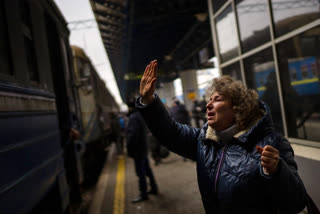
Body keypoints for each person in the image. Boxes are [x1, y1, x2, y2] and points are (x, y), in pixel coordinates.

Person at [135, 60, 309, 213]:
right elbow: (171, 133)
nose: (208, 105)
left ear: (237, 107)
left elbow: (296, 202)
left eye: (217, 99)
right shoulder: (205, 141)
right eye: (208, 100)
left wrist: (276, 171)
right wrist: (149, 102)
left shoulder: (272, 142)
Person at [126, 99, 159, 203]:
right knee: (147, 169)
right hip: (143, 147)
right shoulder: (141, 115)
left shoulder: (133, 118)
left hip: (137, 149)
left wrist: (128, 148)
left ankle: (143, 194)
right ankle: (154, 188)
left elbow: (132, 135)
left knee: (140, 172)